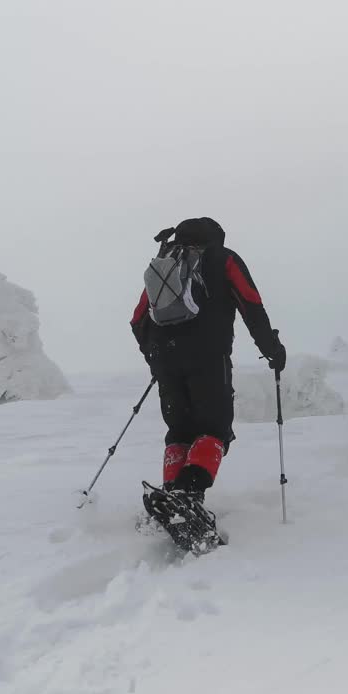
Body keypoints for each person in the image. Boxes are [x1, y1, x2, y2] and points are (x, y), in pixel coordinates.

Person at [130, 217, 285, 527]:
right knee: (215, 429)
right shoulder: (224, 259)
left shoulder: (165, 261)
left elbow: (138, 319)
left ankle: (172, 494)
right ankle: (188, 494)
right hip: (207, 356)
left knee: (180, 430)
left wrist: (155, 358)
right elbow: (251, 304)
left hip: (165, 359)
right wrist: (272, 350)